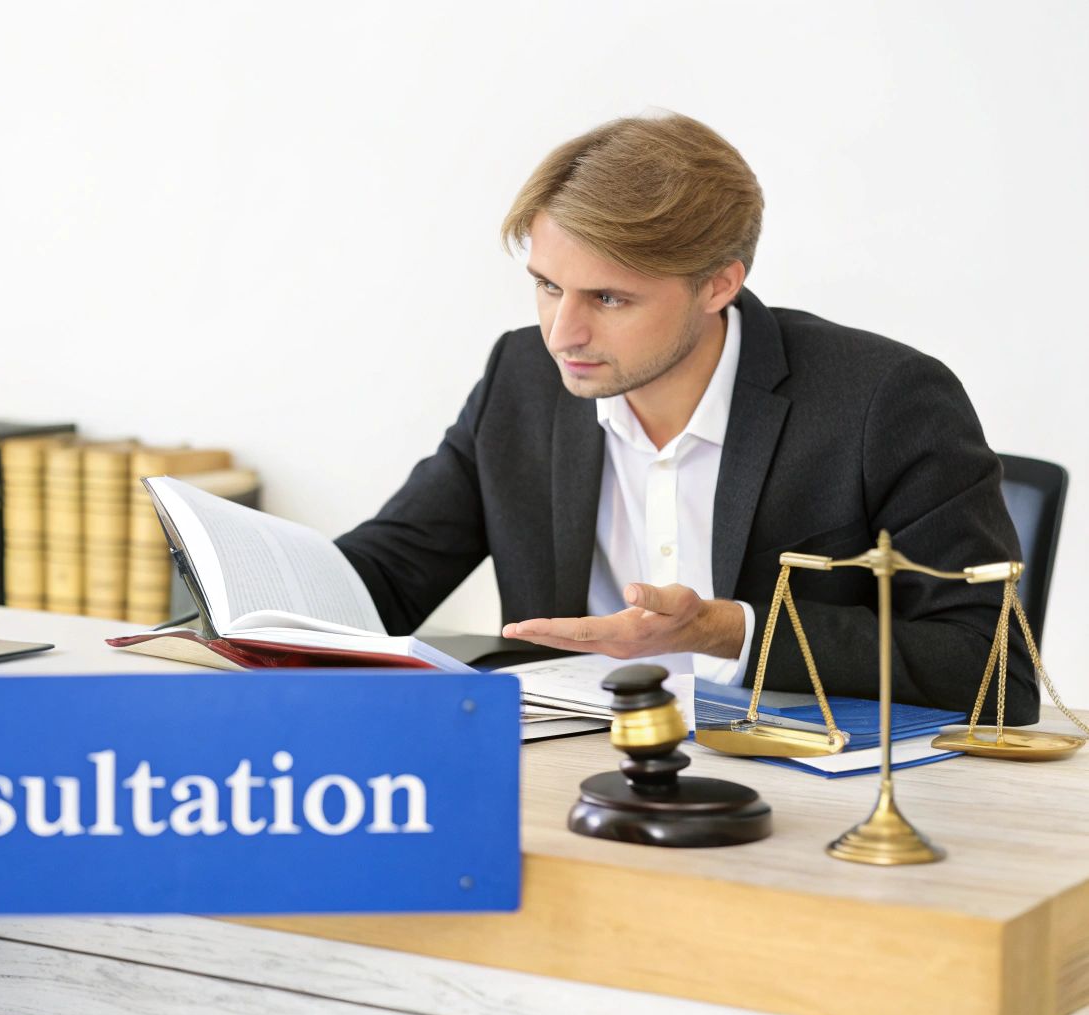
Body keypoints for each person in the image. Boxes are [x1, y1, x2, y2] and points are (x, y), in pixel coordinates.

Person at [334, 113, 1037, 721]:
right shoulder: (521, 378)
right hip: (567, 782)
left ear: (719, 284)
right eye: (548, 287)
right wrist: (234, 582)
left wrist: (725, 631)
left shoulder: (885, 400)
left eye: (608, 299)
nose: (561, 334)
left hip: (805, 799)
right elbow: (390, 574)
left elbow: (994, 670)